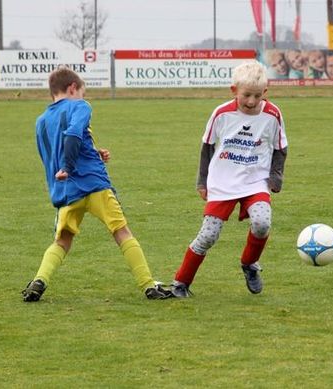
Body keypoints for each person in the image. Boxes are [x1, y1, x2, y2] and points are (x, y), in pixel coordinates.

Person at [22, 67, 173, 302]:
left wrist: (91, 153)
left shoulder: (41, 121)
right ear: (73, 88)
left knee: (62, 240)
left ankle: (39, 281)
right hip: (93, 184)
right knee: (121, 231)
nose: (83, 96)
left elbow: (52, 154)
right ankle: (148, 284)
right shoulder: (80, 106)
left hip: (65, 190)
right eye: (81, 91)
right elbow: (72, 135)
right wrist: (71, 167)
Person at [171, 61, 288, 298]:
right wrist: (202, 182)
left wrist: (275, 177)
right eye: (246, 95)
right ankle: (180, 283)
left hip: (255, 181)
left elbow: (280, 148)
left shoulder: (273, 114)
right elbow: (207, 147)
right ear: (234, 90)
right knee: (208, 235)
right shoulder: (221, 114)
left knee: (262, 223)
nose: (252, 101)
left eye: (257, 96)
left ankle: (249, 264)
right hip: (222, 183)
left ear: (265, 92)